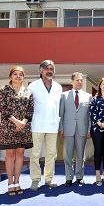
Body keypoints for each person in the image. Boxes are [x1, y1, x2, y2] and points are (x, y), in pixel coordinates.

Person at [28, 60, 63, 191]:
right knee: (35, 154)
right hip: (37, 125)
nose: (49, 71)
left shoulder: (58, 87)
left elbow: (60, 107)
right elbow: (27, 105)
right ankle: (35, 179)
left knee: (51, 154)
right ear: (41, 71)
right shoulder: (32, 86)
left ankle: (49, 179)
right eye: (47, 69)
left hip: (53, 125)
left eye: (51, 69)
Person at [0, 66, 33, 195]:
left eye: (21, 74)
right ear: (10, 76)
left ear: (23, 78)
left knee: (20, 154)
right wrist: (16, 121)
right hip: (9, 126)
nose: (18, 76)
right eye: (15, 74)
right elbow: (3, 108)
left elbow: (30, 109)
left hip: (23, 128)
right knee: (10, 154)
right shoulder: (4, 90)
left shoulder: (28, 91)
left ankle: (17, 182)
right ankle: (10, 182)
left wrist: (23, 122)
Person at [59, 72, 92, 187]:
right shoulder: (64, 95)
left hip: (82, 129)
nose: (79, 82)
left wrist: (89, 130)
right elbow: (61, 114)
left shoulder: (88, 96)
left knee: (80, 155)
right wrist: (61, 128)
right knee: (67, 155)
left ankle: (79, 177)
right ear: (72, 81)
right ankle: (68, 177)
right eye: (77, 80)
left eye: (81, 80)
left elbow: (89, 116)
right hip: (68, 129)